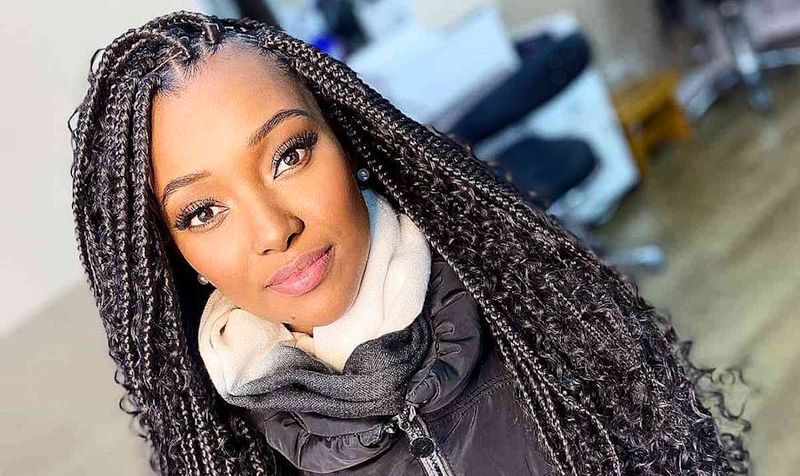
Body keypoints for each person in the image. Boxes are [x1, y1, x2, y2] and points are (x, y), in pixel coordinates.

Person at [68, 10, 750, 476]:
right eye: (202, 212)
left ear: (345, 141)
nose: (274, 230)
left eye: (289, 155)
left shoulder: (528, 305)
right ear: (174, 254)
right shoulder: (224, 451)